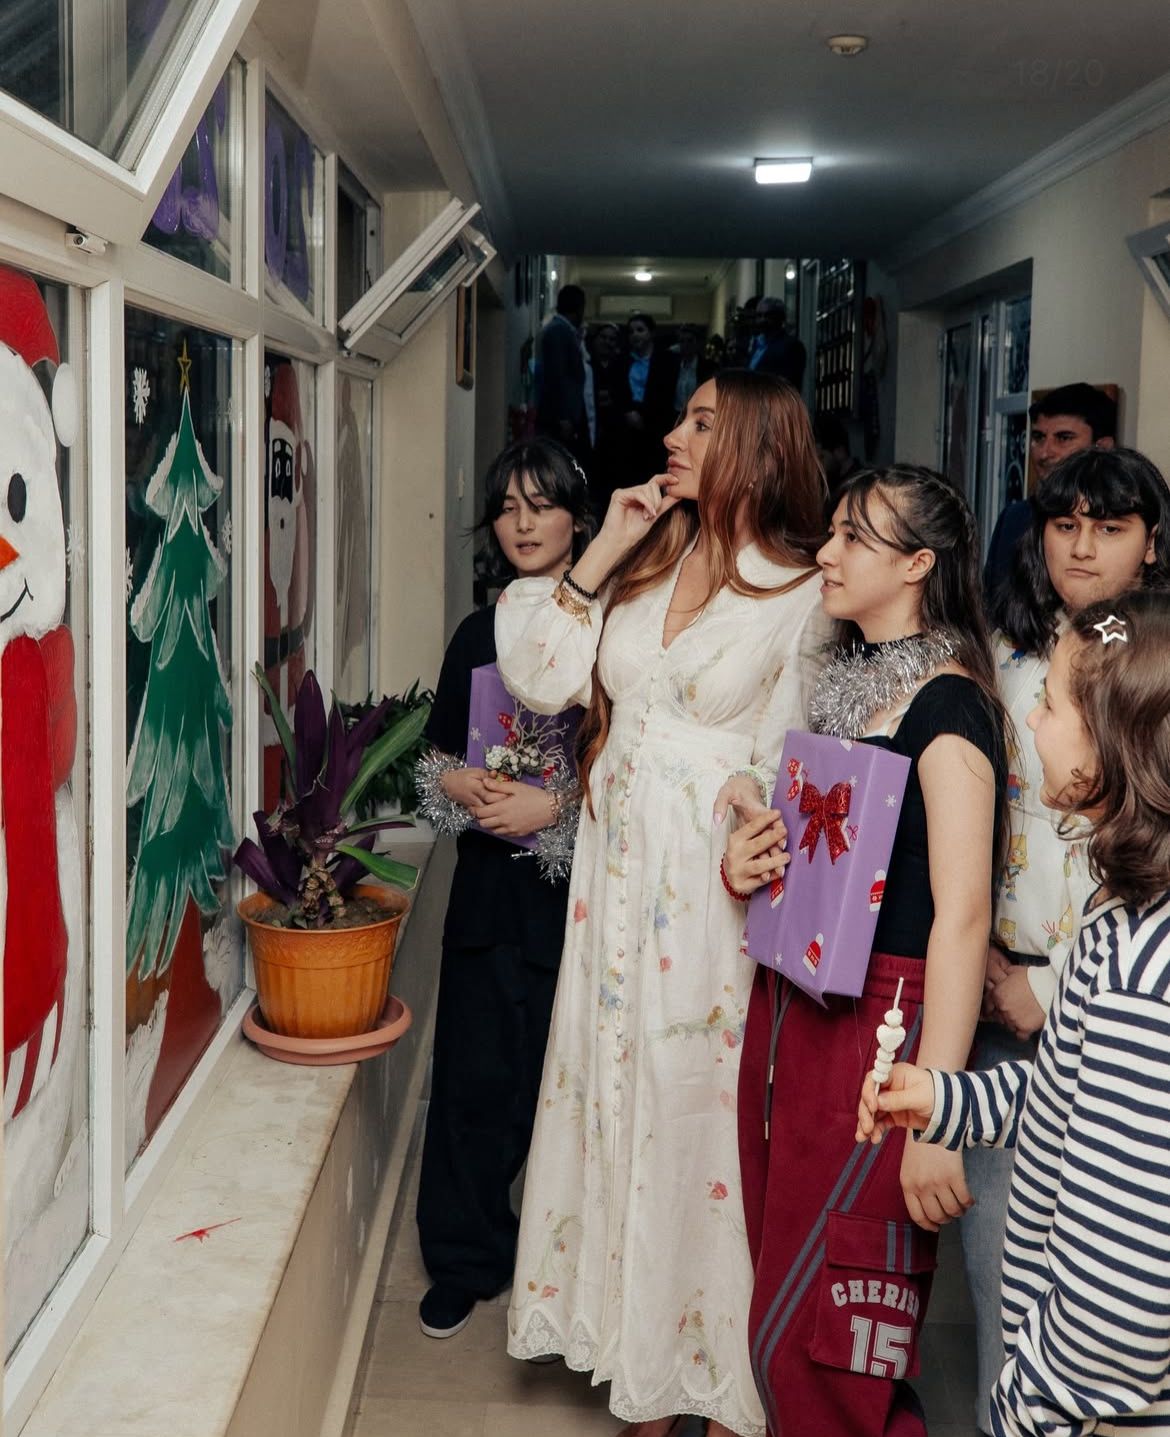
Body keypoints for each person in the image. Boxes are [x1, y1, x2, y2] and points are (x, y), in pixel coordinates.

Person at [500, 370, 832, 1437]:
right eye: (681, 418)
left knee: (695, 1122)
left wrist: (745, 820)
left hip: (706, 906)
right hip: (610, 890)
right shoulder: (646, 560)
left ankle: (714, 1380)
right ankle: (635, 1365)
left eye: (702, 422)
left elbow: (790, 762)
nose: (674, 436)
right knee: (610, 1095)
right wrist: (605, 542)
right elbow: (539, 678)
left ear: (758, 448)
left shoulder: (802, 594)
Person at [726, 465, 1008, 1437]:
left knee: (837, 1325)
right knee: (788, 1314)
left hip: (884, 1036)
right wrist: (749, 844)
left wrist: (937, 1113)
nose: (828, 552)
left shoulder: (951, 706)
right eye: (833, 531)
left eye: (856, 537)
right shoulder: (851, 687)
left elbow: (962, 914)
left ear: (919, 565)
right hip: (803, 1011)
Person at [858, 587, 1170, 1437]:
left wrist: (1025, 1399)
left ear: (1114, 740)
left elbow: (1124, 1296)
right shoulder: (1123, 915)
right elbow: (1074, 1093)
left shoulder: (1141, 973)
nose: (1031, 718)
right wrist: (946, 1098)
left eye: (1055, 704)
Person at [962, 445, 1170, 1433]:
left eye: (1111, 525)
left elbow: (1123, 1292)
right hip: (1009, 977)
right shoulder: (1011, 653)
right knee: (1010, 1254)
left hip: (1091, 971)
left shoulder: (1133, 660)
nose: (1082, 545)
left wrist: (1049, 989)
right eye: (1064, 523)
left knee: (1096, 1253)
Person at [413, 438, 594, 1340]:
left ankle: (565, 1267)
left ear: (578, 520)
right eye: (508, 507)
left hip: (580, 900)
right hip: (487, 894)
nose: (523, 522)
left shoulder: (611, 633)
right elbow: (433, 759)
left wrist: (552, 805)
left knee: (562, 1086)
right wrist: (457, 782)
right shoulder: (474, 633)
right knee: (472, 1080)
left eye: (542, 504)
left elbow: (632, 775)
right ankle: (463, 1257)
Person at [983, 383, 1117, 598]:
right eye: (1038, 438)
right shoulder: (1014, 518)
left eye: (1064, 438)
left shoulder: (1120, 524)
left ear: (1102, 447)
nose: (1045, 453)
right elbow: (989, 606)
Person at [537, 285, 591, 470]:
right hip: (560, 417)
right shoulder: (559, 331)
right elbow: (557, 376)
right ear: (579, 308)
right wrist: (564, 416)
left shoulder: (563, 330)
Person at [625, 311, 679, 481]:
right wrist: (628, 412)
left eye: (640, 330)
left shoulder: (668, 360)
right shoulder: (622, 360)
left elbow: (667, 394)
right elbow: (618, 392)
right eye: (631, 331)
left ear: (651, 333)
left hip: (657, 425)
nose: (635, 335)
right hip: (628, 425)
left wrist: (646, 418)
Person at [748, 298, 807, 390]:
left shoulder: (792, 346)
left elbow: (789, 383)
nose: (762, 320)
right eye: (759, 316)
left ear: (779, 318)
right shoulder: (755, 344)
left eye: (768, 316)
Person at [673, 324, 714, 412]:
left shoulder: (708, 367)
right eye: (682, 341)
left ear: (697, 343)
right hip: (676, 414)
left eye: (690, 341)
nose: (685, 344)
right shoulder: (673, 366)